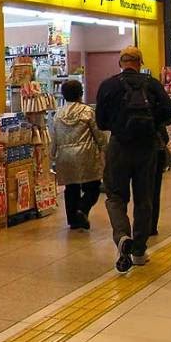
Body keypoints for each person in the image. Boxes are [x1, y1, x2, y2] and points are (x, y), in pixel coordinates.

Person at [95, 46, 171, 273]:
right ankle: (139, 252)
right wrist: (152, 123)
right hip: (147, 148)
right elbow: (168, 111)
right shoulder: (152, 84)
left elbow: (101, 122)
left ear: (120, 63)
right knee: (144, 199)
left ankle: (122, 236)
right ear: (140, 62)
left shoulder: (108, 85)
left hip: (119, 146)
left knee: (115, 197)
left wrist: (119, 123)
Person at [50, 79, 104, 231]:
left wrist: (52, 154)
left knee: (71, 188)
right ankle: (82, 209)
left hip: (65, 156)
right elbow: (98, 134)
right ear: (81, 93)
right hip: (85, 154)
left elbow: (54, 137)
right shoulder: (87, 111)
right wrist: (104, 147)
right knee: (93, 187)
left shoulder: (58, 114)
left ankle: (73, 221)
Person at [151, 121, 171, 237]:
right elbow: (165, 137)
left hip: (135, 154)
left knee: (140, 193)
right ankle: (152, 226)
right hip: (156, 154)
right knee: (154, 192)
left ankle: (140, 227)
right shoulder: (155, 114)